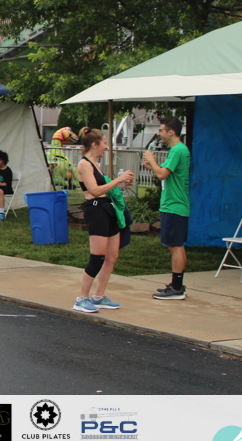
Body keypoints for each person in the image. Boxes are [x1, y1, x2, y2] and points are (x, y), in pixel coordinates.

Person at [72, 128, 135, 313]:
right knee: (97, 257)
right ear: (95, 144)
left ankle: (99, 296)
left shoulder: (96, 163)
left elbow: (105, 188)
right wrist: (118, 180)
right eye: (105, 143)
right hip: (96, 210)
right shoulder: (84, 164)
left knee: (111, 256)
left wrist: (120, 185)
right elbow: (94, 191)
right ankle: (81, 298)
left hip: (108, 208)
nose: (107, 147)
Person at [144, 117, 191, 300]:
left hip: (174, 205)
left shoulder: (177, 150)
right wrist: (152, 166)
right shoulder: (178, 150)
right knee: (176, 245)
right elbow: (165, 174)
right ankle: (177, 284)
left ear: (171, 132)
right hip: (175, 204)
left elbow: (163, 174)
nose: (159, 133)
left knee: (175, 246)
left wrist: (152, 160)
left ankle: (177, 288)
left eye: (161, 130)